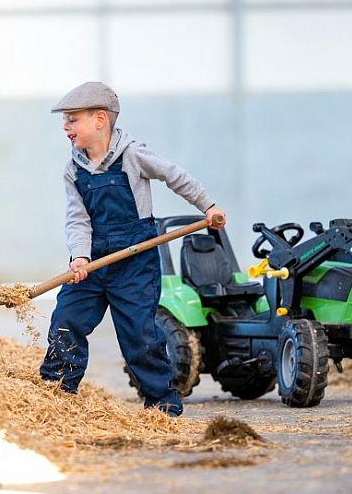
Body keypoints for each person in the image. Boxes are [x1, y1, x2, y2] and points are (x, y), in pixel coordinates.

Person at [39, 82, 226, 417]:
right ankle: (56, 394)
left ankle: (161, 403)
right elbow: (77, 219)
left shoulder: (133, 155)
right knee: (66, 319)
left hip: (135, 261)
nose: (65, 127)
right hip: (93, 262)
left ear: (100, 120)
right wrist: (80, 256)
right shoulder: (73, 170)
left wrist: (207, 206)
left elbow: (176, 177)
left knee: (139, 334)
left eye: (72, 120)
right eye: (64, 121)